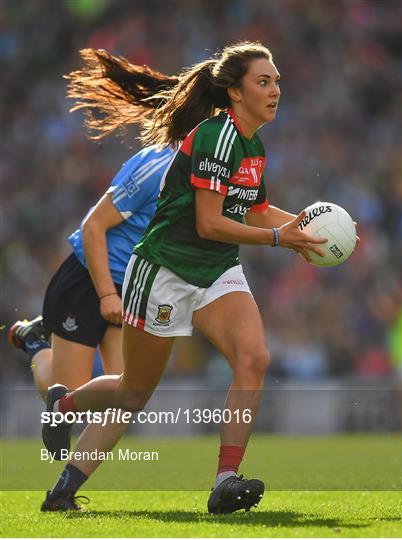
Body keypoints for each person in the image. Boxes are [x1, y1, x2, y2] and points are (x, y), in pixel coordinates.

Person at [42, 41, 332, 514]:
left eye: (277, 80)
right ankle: (64, 431)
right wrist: (283, 239)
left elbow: (255, 213)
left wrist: (313, 228)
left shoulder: (252, 145)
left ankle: (225, 481)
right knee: (133, 390)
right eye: (264, 81)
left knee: (254, 358)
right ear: (235, 93)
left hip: (215, 268)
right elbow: (209, 224)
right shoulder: (217, 137)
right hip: (165, 271)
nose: (276, 89)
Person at [8, 49, 179, 511]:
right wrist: (106, 292)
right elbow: (92, 227)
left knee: (124, 395)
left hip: (133, 291)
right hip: (89, 282)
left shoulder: (206, 172)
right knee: (62, 390)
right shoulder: (156, 163)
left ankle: (64, 492)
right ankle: (33, 342)